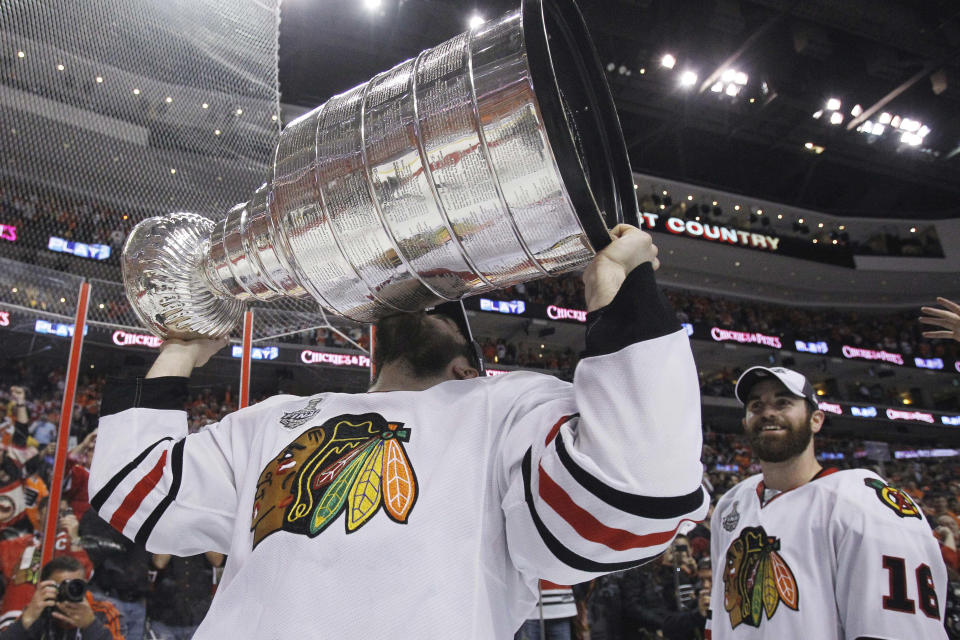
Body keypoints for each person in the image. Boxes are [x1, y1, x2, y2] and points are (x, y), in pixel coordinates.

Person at [88, 225, 708, 638]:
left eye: (443, 308)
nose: (422, 302)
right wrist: (183, 347)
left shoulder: (505, 407)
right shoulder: (274, 417)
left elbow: (633, 498)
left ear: (469, 365)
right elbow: (136, 492)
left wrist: (624, 301)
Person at [706, 366, 948, 639]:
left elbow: (896, 629)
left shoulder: (861, 501)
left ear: (816, 420)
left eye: (783, 402)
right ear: (745, 423)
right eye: (756, 405)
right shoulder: (731, 504)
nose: (768, 412)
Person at [0, 555, 122, 640]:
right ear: (44, 586)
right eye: (61, 586)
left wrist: (90, 625)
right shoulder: (38, 611)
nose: (70, 592)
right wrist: (27, 619)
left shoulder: (103, 611)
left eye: (76, 585)